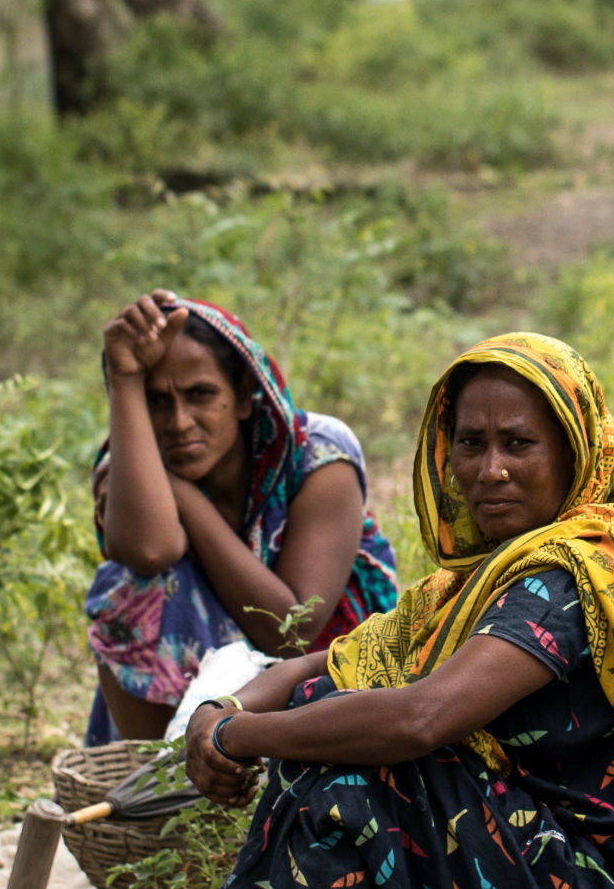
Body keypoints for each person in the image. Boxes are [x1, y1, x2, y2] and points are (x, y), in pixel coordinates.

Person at [185, 334, 614, 889]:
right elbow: (330, 658)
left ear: (574, 452)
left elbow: (419, 717)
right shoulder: (471, 585)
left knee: (351, 768)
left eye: (518, 443)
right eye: (471, 443)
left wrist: (240, 736)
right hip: (543, 871)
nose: (490, 469)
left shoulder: (571, 577)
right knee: (330, 708)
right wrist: (219, 708)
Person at [87, 291, 398, 743]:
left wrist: (184, 497)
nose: (178, 422)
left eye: (201, 395)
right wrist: (123, 374)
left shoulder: (318, 455)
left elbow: (291, 632)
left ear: (245, 398)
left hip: (320, 686)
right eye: (154, 401)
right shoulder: (132, 466)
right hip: (190, 707)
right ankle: (157, 787)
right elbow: (152, 551)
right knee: (135, 583)